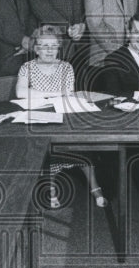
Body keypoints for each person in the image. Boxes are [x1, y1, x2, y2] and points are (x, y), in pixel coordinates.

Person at [16, 26, 106, 209]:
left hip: (64, 118)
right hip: (38, 120)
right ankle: (50, 186)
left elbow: (68, 94)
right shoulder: (27, 67)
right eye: (44, 46)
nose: (49, 50)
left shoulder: (66, 67)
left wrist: (38, 93)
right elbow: (20, 93)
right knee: (45, 146)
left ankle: (95, 187)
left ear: (59, 47)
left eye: (53, 46)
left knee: (82, 144)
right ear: (36, 48)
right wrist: (54, 94)